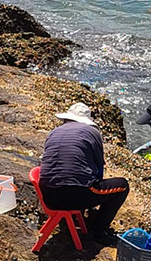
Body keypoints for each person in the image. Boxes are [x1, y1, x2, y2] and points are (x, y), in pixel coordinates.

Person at [38, 102, 130, 242]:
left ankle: (76, 215)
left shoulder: (54, 132)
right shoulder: (92, 132)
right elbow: (99, 169)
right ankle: (99, 232)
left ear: (66, 119)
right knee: (122, 185)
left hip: (48, 197)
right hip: (75, 196)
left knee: (73, 176)